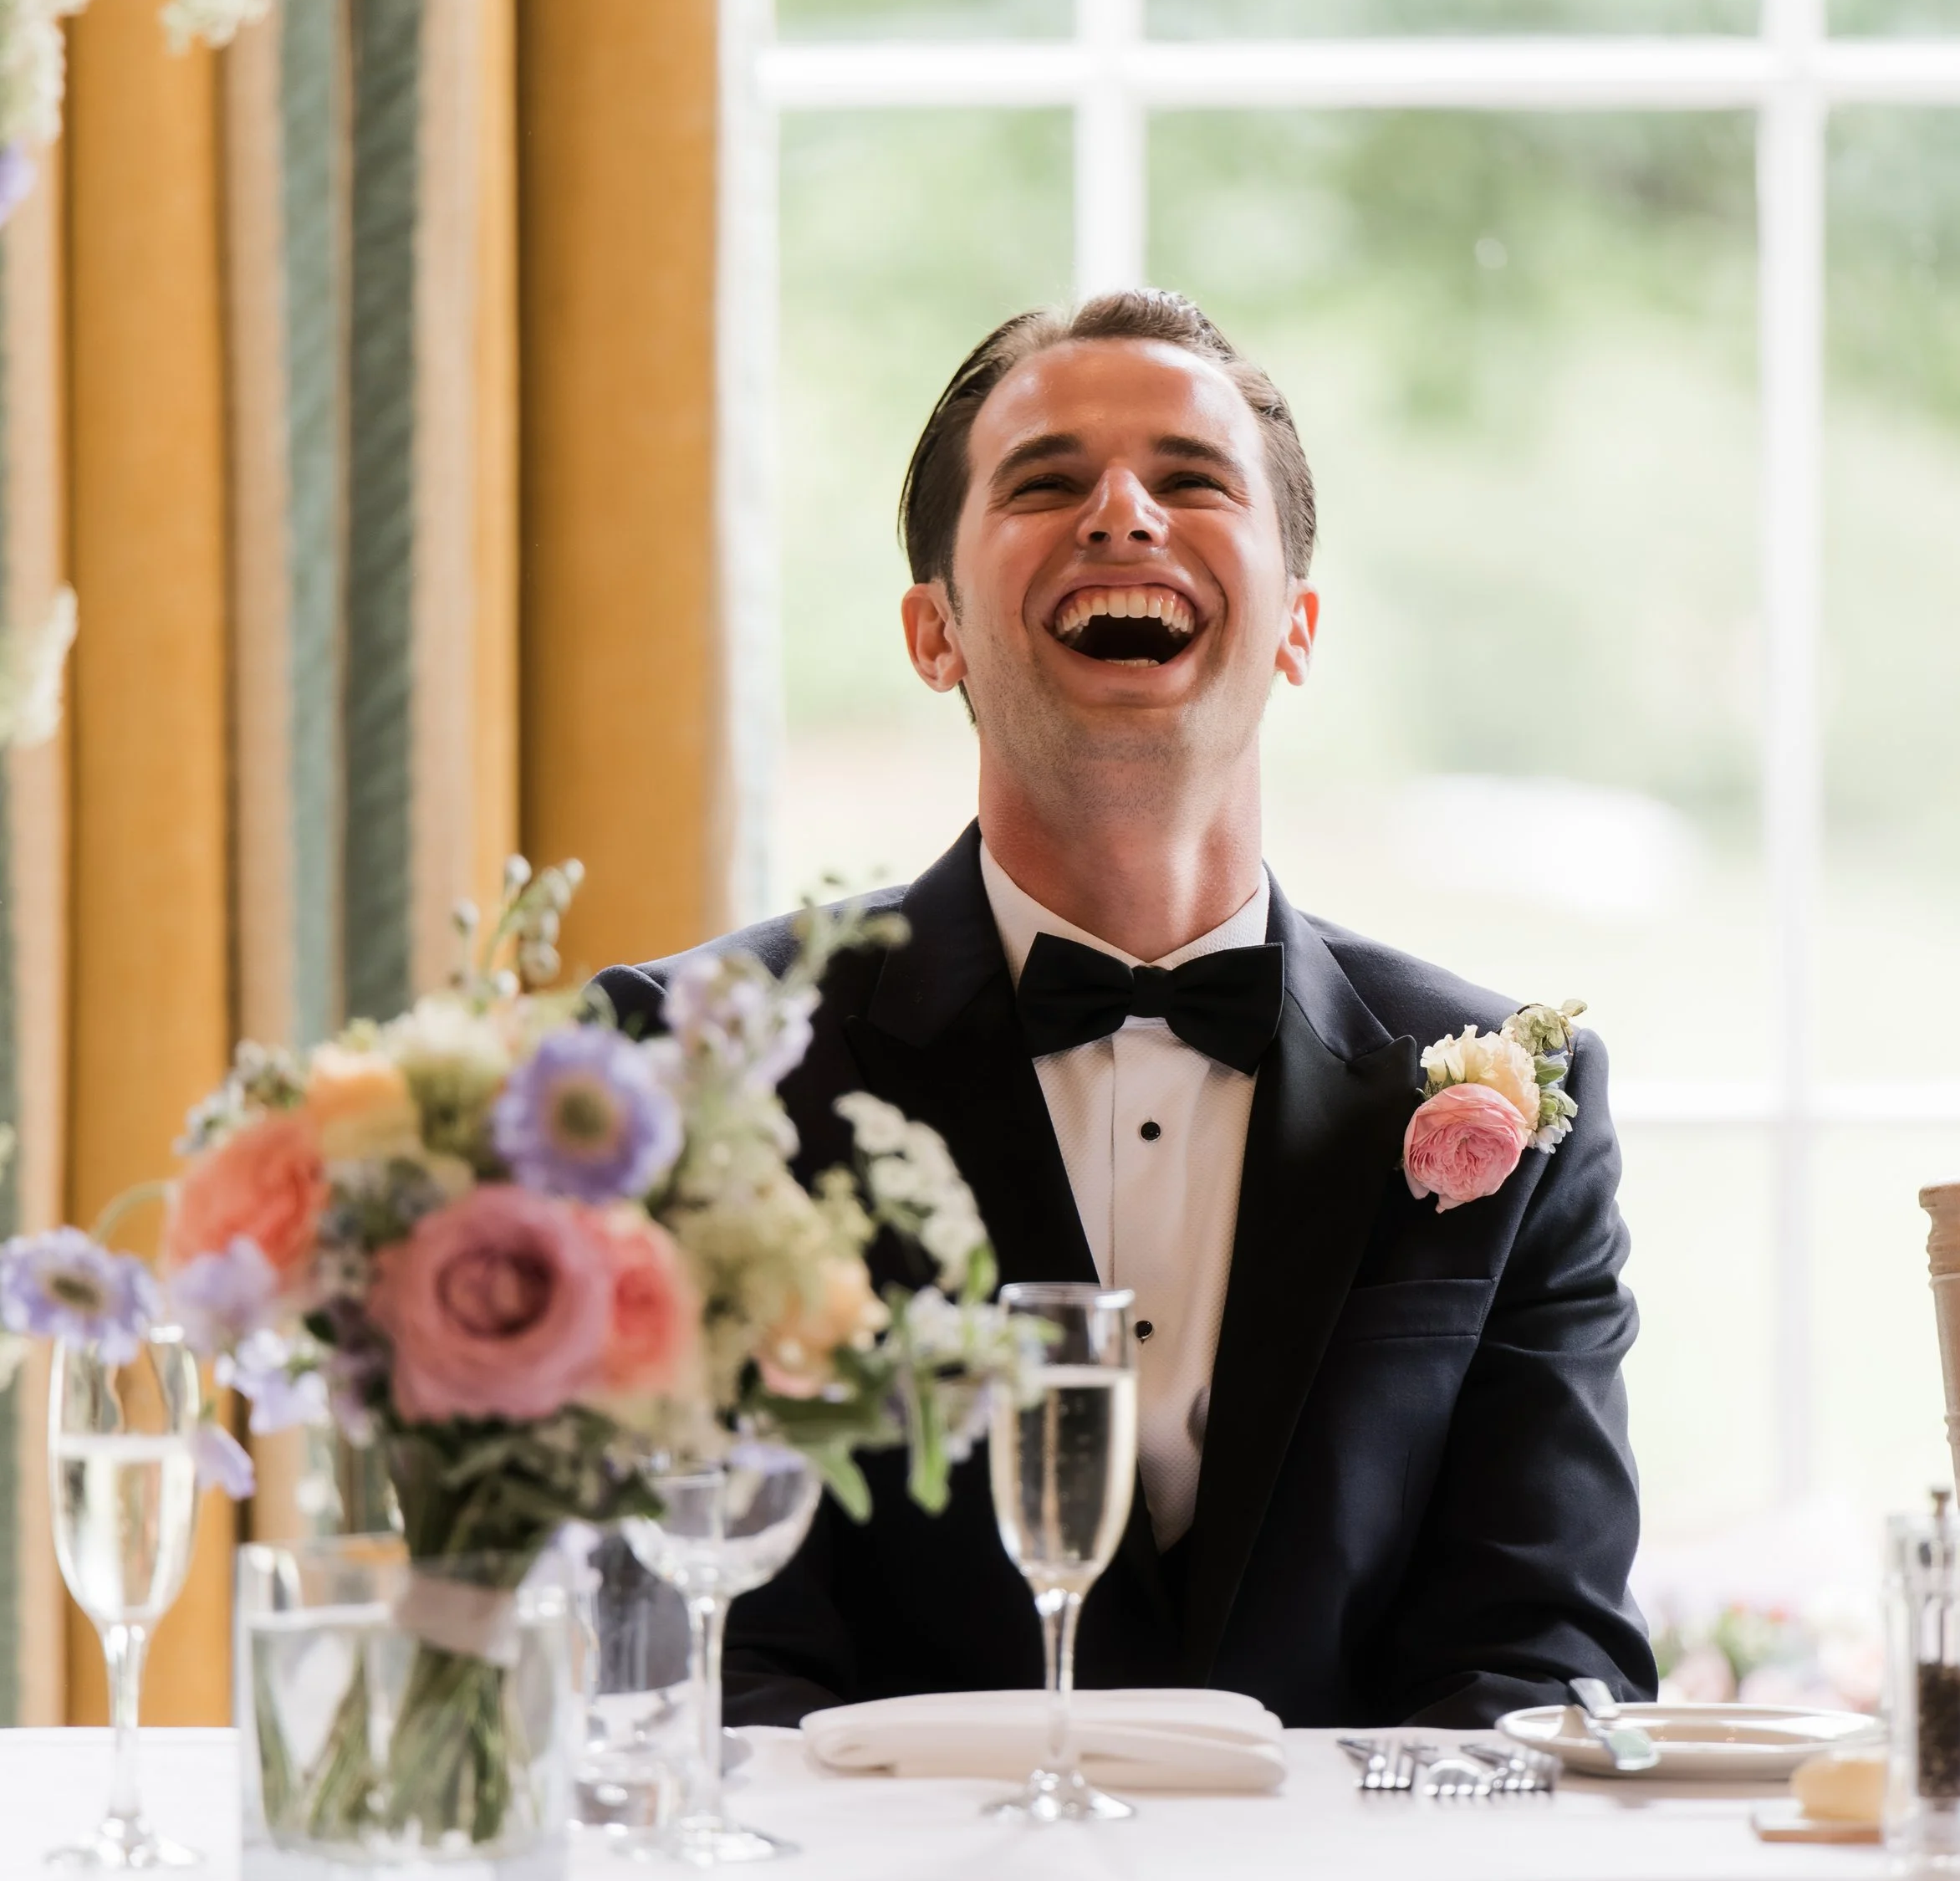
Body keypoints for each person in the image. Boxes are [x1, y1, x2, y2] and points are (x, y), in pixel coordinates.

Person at [596, 288, 1655, 1727]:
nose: (1119, 512)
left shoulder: (1524, 1104)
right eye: (1044, 481)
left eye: (1189, 479)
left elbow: (1542, 1659)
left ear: (1297, 625)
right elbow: (692, 1647)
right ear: (935, 631)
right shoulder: (691, 1067)